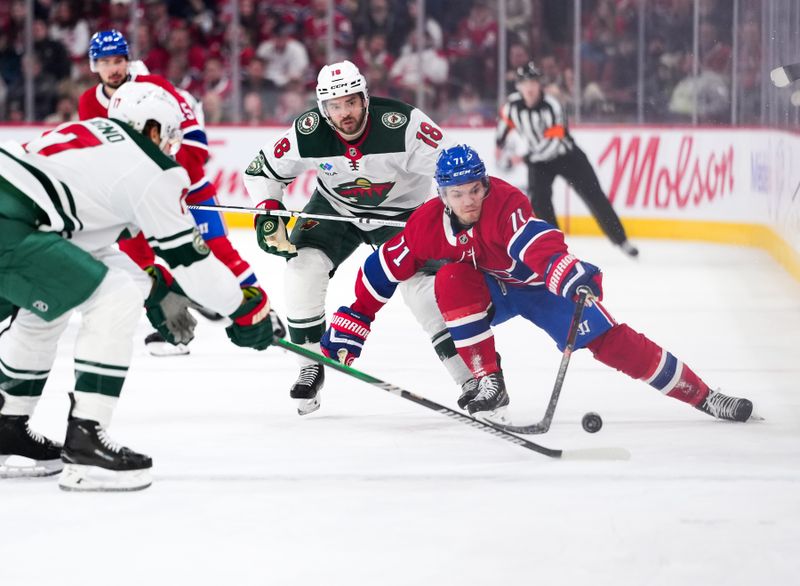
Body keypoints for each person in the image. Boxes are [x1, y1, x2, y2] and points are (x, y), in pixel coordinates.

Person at [320, 144, 754, 424]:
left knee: (612, 343)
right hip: (493, 290)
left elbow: (536, 243)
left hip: (540, 286)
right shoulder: (426, 224)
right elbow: (382, 268)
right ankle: (489, 380)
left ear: (484, 185)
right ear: (441, 195)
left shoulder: (504, 203)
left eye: (475, 189)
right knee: (449, 279)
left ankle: (704, 396)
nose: (469, 200)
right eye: (458, 193)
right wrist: (354, 320)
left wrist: (568, 274)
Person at [0, 82, 276, 491]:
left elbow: (82, 244)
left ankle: (7, 428)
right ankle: (87, 442)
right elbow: (193, 262)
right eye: (168, 136)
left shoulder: (96, 138)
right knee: (113, 296)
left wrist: (154, 287)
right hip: (13, 223)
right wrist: (245, 308)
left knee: (52, 303)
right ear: (151, 128)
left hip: (17, 214)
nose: (170, 146)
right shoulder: (150, 166)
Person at [243, 60, 473, 416]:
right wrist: (268, 211)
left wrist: (461, 215)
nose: (344, 113)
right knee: (302, 265)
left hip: (402, 215)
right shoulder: (308, 130)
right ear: (323, 108)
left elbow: (453, 164)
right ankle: (310, 363)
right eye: (335, 106)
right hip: (335, 209)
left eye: (351, 102)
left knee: (420, 289)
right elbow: (262, 170)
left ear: (365, 98)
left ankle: (470, 378)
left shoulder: (404, 124)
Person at [78, 30, 259, 355]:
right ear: (94, 65)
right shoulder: (89, 102)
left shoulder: (156, 88)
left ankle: (261, 313)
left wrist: (168, 181)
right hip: (134, 198)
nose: (113, 68)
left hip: (183, 188)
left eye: (118, 60)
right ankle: (173, 328)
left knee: (217, 250)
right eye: (105, 62)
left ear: (128, 59)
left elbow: (195, 144)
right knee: (139, 262)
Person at [497, 61, 639, 258]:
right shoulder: (512, 106)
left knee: (594, 196)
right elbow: (503, 129)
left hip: (568, 157)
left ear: (540, 85)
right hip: (538, 163)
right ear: (518, 86)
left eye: (533, 82)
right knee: (539, 203)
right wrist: (499, 146)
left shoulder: (553, 106)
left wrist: (523, 158)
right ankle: (555, 251)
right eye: (524, 83)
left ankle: (622, 240)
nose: (529, 87)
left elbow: (553, 143)